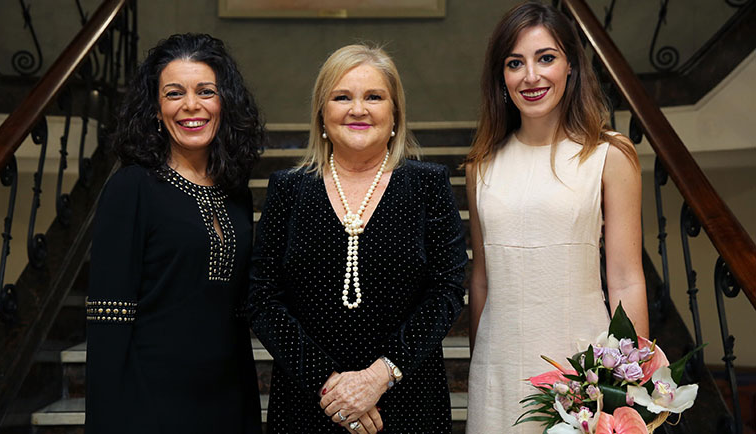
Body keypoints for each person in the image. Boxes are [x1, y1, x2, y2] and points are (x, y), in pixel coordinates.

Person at [247, 44, 467, 434]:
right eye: (342, 97)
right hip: (308, 404)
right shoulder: (288, 190)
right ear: (322, 112)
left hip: (409, 402)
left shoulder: (428, 185)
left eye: (374, 97)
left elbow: (447, 291)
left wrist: (378, 377)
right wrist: (331, 387)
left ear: (395, 113)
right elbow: (261, 298)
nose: (358, 109)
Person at [464, 3, 649, 433]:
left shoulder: (609, 154)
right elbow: (482, 280)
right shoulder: (480, 165)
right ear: (501, 76)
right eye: (515, 63)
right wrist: (479, 365)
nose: (531, 76)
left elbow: (626, 279)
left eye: (545, 58)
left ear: (570, 66)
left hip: (582, 369)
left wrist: (632, 386)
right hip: (497, 367)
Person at [85, 33, 263, 434]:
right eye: (174, 93)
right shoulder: (131, 188)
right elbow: (109, 319)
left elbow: (236, 316)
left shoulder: (234, 191)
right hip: (149, 405)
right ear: (155, 108)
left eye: (206, 91)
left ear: (224, 103)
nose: (191, 105)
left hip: (226, 400)